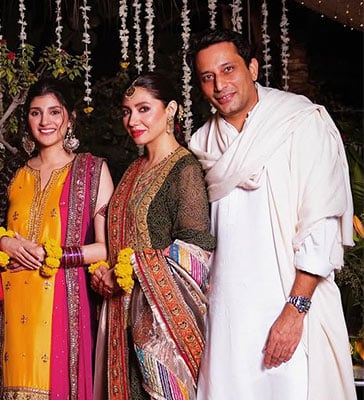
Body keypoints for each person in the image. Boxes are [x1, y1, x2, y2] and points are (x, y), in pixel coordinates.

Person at [187, 29, 356, 400]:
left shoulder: (300, 121)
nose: (220, 85)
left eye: (228, 69)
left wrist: (295, 312)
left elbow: (322, 223)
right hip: (227, 313)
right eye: (207, 77)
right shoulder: (201, 143)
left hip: (288, 302)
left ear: (252, 67)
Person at [0, 77, 114, 398]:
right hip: (12, 308)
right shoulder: (13, 173)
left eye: (54, 112)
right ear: (26, 118)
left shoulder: (92, 170)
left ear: (70, 118)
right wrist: (5, 243)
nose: (45, 122)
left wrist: (53, 256)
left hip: (63, 303)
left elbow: (105, 249)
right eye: (35, 113)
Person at [91, 72, 215, 400]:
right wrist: (105, 268)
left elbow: (198, 251)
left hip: (162, 329)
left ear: (171, 109)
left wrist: (133, 268)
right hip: (120, 314)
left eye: (144, 109)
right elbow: (120, 236)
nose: (133, 120)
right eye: (127, 111)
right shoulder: (134, 168)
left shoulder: (184, 170)